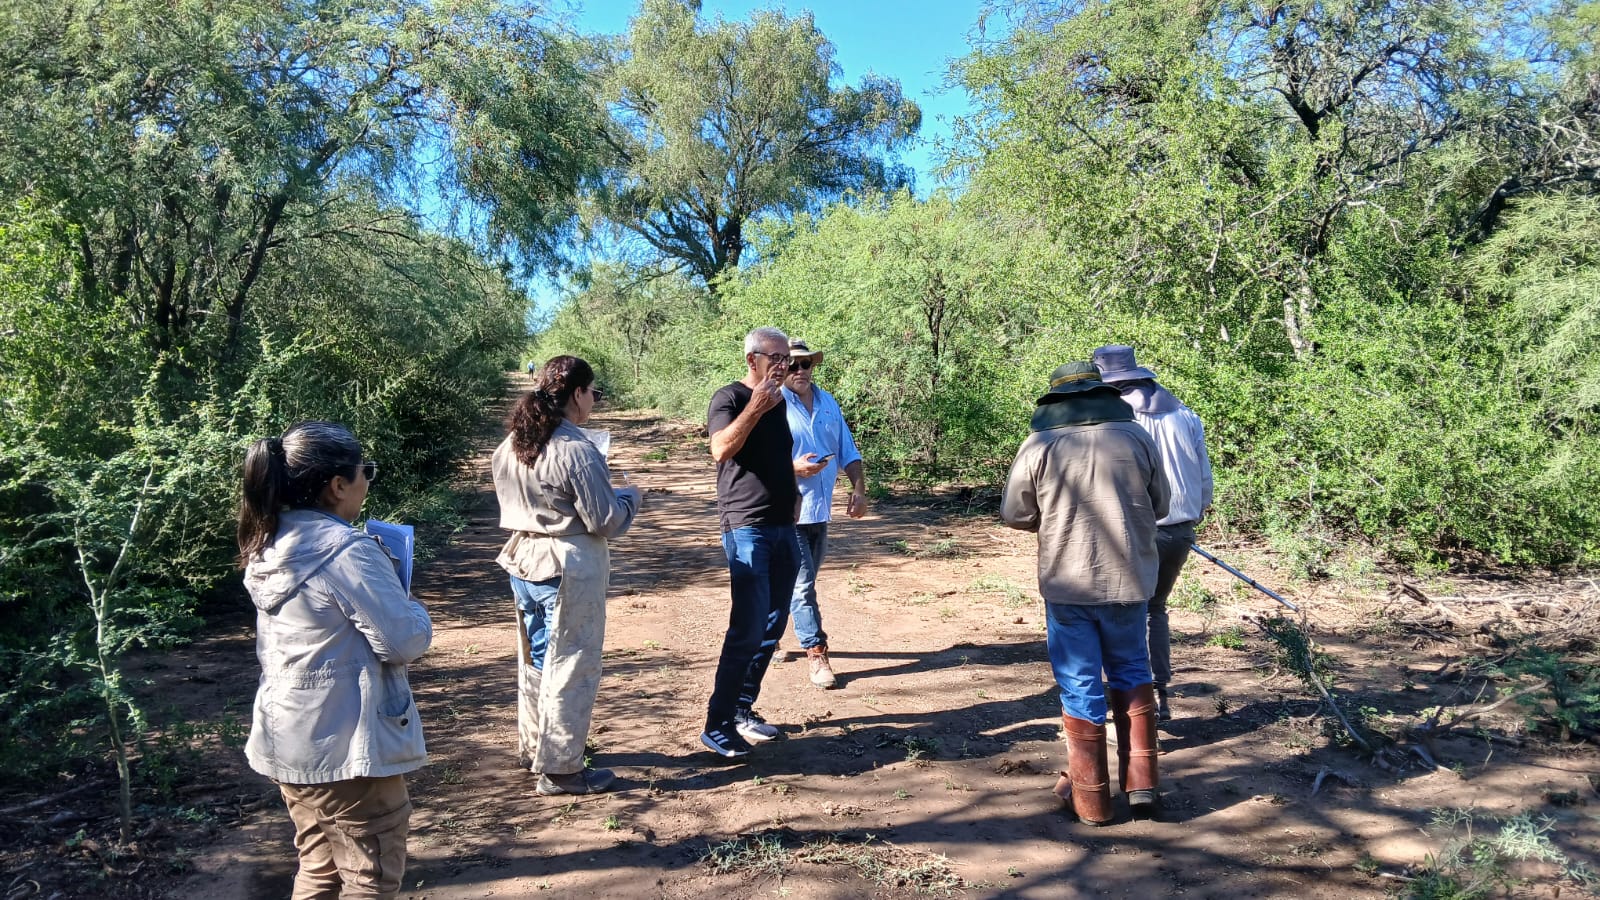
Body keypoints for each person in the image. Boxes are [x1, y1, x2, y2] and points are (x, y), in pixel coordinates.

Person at [238, 421, 432, 899]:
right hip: (347, 751)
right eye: (365, 471)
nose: (368, 480)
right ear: (338, 485)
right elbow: (404, 640)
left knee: (318, 868)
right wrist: (412, 605)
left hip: (288, 739)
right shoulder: (346, 551)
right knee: (370, 878)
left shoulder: (268, 540)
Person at [1001, 362, 1171, 824]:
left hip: (1068, 582)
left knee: (1079, 683)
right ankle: (1142, 786)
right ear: (1102, 394)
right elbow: (1163, 505)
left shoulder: (1040, 443)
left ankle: (1093, 801)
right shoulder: (1136, 437)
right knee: (1133, 669)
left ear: (1055, 401)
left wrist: (1053, 517)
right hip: (1129, 579)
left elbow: (1015, 513)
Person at [492, 356, 640, 796]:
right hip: (565, 564)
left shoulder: (512, 445)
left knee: (537, 657)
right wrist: (631, 497)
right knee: (571, 662)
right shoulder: (575, 449)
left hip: (523, 559)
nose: (594, 400)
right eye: (593, 392)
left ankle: (538, 745)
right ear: (577, 393)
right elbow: (605, 521)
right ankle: (560, 769)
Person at [1092, 344, 1213, 722]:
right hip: (1180, 530)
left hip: (1135, 529)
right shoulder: (1185, 415)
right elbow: (1204, 480)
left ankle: (1124, 702)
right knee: (1154, 610)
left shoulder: (1121, 422)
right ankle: (1160, 696)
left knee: (1115, 611)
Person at [701, 326, 802, 758]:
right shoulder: (730, 398)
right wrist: (756, 407)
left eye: (787, 360)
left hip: (783, 526)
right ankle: (717, 724)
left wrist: (793, 495)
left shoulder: (780, 402)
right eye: (776, 358)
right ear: (752, 360)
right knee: (747, 625)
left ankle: (742, 708)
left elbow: (777, 459)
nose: (784, 366)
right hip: (746, 527)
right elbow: (721, 449)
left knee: (773, 625)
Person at [780, 339, 866, 689]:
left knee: (798, 582)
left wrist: (859, 489)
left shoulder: (828, 401)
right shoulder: (770, 402)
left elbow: (847, 449)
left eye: (806, 364)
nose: (800, 371)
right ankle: (816, 652)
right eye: (793, 364)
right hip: (785, 509)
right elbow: (754, 460)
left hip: (820, 510)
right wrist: (791, 469)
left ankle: (766, 635)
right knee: (802, 586)